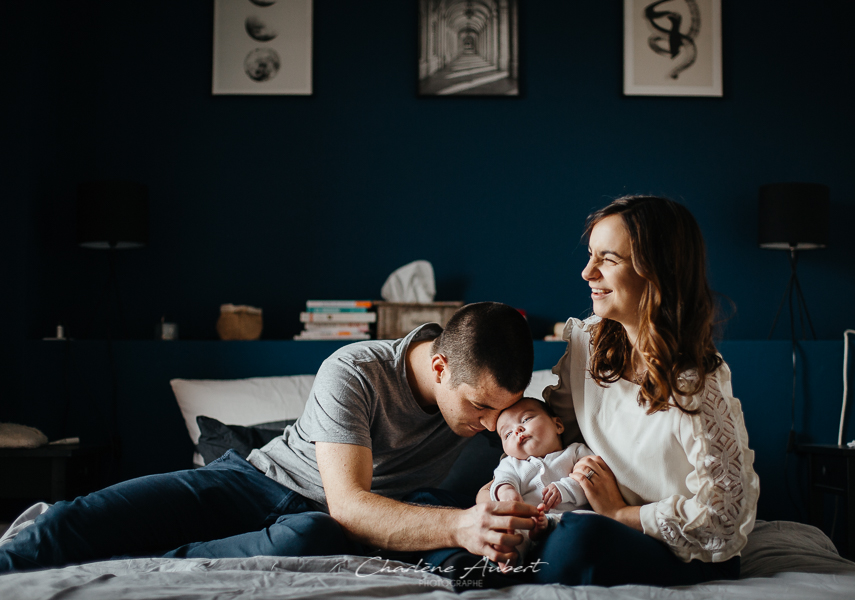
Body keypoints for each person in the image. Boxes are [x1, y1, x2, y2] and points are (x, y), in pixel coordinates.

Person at [0, 302, 540, 573]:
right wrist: (463, 525)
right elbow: (350, 505)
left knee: (312, 537)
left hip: (316, 526)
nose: (492, 426)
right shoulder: (354, 369)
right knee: (72, 521)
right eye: (480, 408)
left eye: (503, 411)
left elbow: (554, 430)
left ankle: (148, 561)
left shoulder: (495, 405)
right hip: (251, 482)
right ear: (440, 366)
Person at [477, 196, 760, 587]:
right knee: (439, 502)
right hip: (586, 515)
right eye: (591, 255)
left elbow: (722, 519)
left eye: (608, 260)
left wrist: (616, 513)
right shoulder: (588, 344)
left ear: (658, 272)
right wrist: (496, 494)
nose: (586, 272)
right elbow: (554, 437)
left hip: (676, 546)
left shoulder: (696, 384)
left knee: (579, 538)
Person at [489, 397, 593, 562]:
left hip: (570, 518)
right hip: (528, 524)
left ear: (557, 425)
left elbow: (592, 480)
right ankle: (508, 557)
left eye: (526, 419)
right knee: (512, 531)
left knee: (587, 519)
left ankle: (547, 527)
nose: (517, 430)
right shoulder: (511, 464)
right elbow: (502, 479)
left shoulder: (575, 452)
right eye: (507, 434)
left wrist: (564, 488)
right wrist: (507, 492)